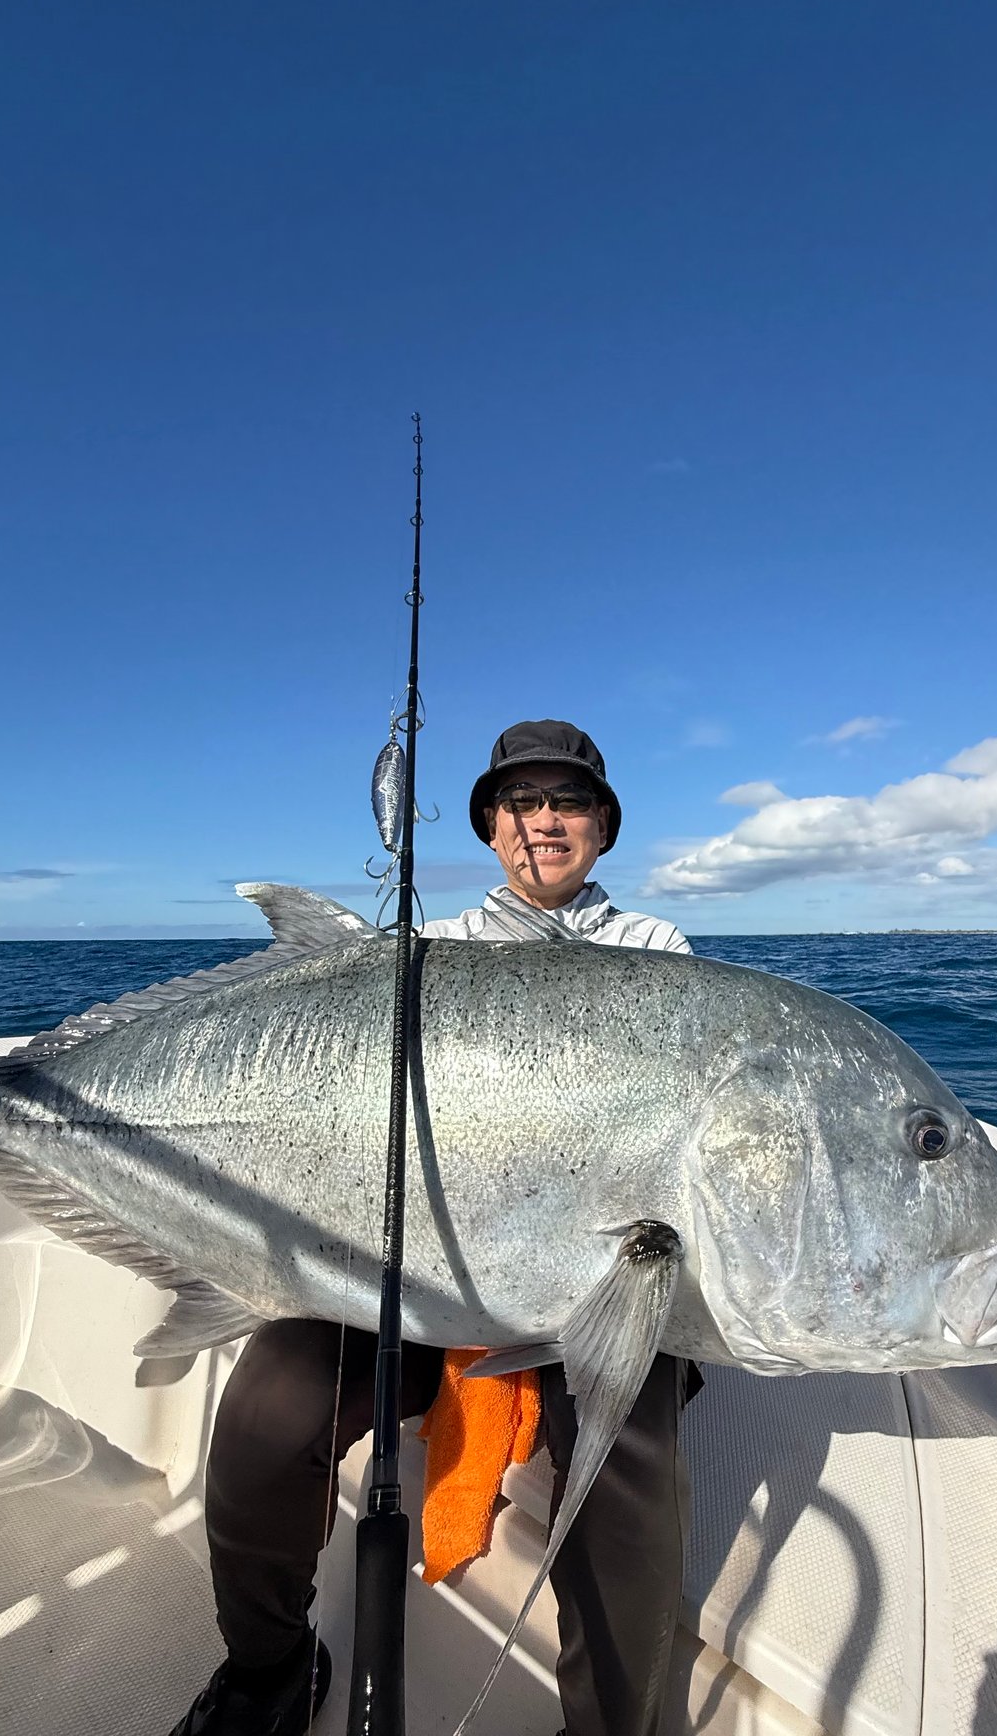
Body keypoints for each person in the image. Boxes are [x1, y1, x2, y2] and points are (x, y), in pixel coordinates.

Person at [171, 720, 697, 1736]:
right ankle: (271, 1664)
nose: (544, 821)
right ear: (494, 827)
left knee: (630, 1458)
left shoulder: (656, 954)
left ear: (602, 826)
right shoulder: (427, 955)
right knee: (268, 1413)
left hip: (588, 1280)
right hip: (415, 1275)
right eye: (521, 801)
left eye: (568, 801)